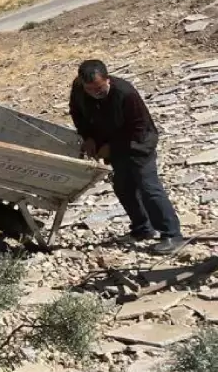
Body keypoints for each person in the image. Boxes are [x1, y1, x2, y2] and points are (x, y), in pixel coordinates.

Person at [69, 59, 186, 255]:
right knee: (123, 188)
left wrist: (111, 147)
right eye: (90, 90)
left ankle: (172, 235)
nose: (95, 94)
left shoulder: (126, 93)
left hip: (138, 144)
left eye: (99, 89)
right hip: (111, 146)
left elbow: (138, 128)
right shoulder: (79, 89)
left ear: (108, 79)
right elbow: (77, 112)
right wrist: (87, 137)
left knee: (148, 188)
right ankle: (142, 228)